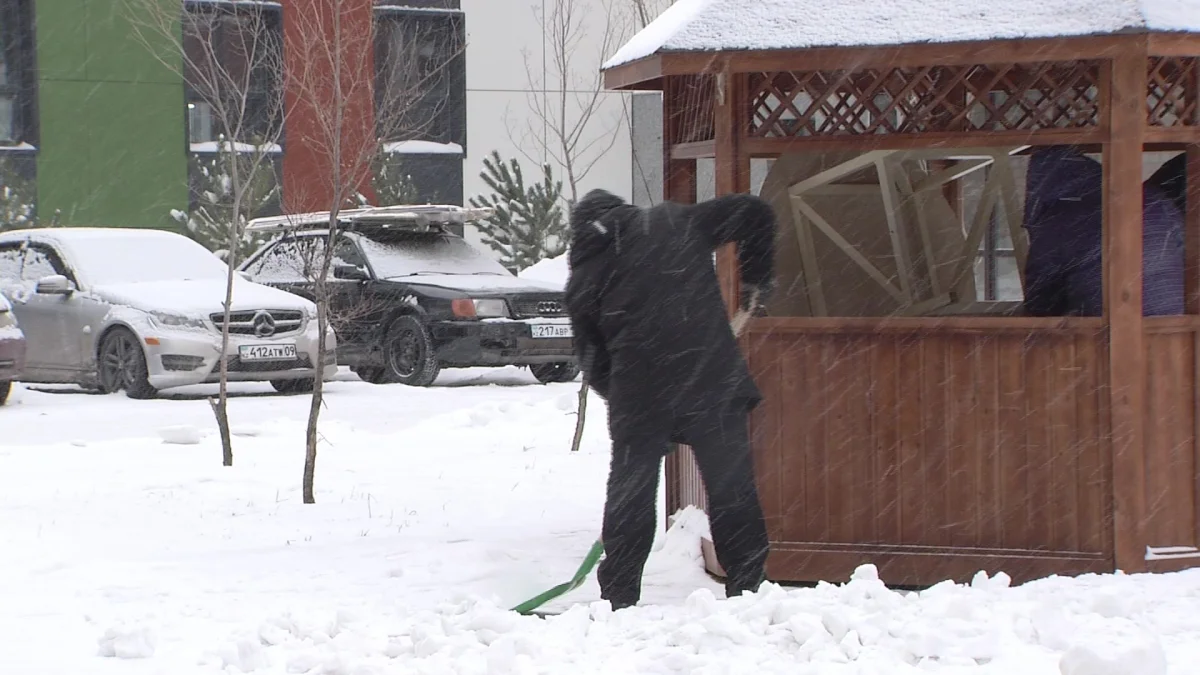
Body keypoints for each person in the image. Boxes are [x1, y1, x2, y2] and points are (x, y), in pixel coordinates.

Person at [563, 188, 776, 610]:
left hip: (639, 390)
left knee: (631, 490)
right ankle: (748, 588)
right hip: (710, 378)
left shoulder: (583, 276)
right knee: (731, 487)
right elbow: (756, 212)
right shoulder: (673, 221)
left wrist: (626, 399)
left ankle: (619, 596)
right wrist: (756, 280)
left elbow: (593, 359)